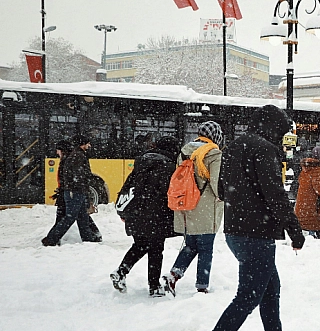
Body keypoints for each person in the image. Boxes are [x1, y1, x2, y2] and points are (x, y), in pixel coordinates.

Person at [193, 105, 305, 331]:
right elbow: (275, 194)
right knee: (248, 295)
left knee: (269, 288)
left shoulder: (232, 147)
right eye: (280, 132)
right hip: (257, 233)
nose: (280, 138)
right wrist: (294, 229)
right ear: (272, 128)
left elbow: (221, 189)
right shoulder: (264, 149)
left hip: (236, 231)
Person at [110, 136, 180, 297]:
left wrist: (125, 212)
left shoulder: (141, 163)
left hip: (136, 213)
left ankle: (121, 272)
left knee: (141, 244)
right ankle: (154, 287)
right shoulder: (168, 166)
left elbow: (127, 187)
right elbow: (167, 193)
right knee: (156, 249)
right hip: (155, 215)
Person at [161, 122, 224, 296]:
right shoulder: (214, 153)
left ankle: (173, 275)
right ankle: (202, 286)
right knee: (205, 248)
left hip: (186, 205)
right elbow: (217, 184)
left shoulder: (185, 151)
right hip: (205, 209)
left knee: (191, 245)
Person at [42, 135, 102, 246]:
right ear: (82, 144)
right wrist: (79, 189)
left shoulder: (77, 155)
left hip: (75, 191)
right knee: (70, 217)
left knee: (82, 216)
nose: (89, 145)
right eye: (88, 143)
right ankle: (51, 239)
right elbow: (78, 176)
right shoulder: (78, 156)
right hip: (75, 191)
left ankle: (89, 239)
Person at [294, 145, 320, 239]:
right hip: (314, 199)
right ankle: (317, 237)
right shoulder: (318, 166)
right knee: (318, 218)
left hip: (305, 197)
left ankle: (312, 234)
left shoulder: (307, 165)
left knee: (309, 219)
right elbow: (316, 183)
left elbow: (300, 180)